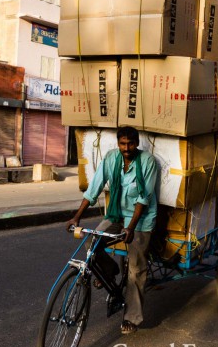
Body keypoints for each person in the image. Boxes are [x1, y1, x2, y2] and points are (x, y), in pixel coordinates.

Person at [66, 126, 158, 334]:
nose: (127, 148)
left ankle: (132, 318)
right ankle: (110, 270)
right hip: (116, 214)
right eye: (123, 144)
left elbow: (144, 199)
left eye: (131, 144)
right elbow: (94, 188)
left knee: (136, 268)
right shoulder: (111, 158)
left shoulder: (147, 162)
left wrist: (131, 228)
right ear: (118, 143)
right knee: (91, 242)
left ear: (137, 143)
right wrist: (77, 216)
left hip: (140, 219)